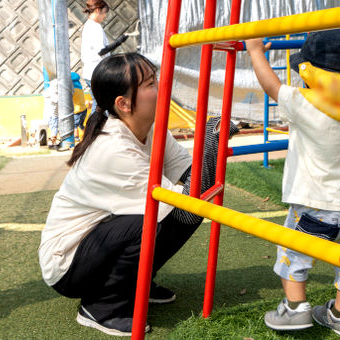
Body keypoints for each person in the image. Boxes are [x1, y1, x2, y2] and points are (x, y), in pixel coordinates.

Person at [38, 53, 238, 337]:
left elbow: (190, 181)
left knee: (180, 215)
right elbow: (187, 203)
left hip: (98, 240)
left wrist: (210, 142)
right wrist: (211, 139)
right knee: (154, 221)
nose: (161, 85)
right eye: (150, 83)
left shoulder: (151, 128)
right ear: (124, 103)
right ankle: (102, 307)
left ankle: (135, 285)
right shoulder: (114, 149)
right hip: (68, 263)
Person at [246, 29, 340, 337]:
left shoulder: (303, 102)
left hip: (314, 203)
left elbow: (272, 86)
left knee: (293, 252)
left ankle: (295, 309)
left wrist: (256, 51)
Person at [81, 0, 132, 116]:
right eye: (104, 13)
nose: (104, 16)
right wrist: (119, 42)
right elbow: (101, 51)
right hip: (96, 72)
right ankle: (93, 131)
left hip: (90, 72)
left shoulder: (88, 25)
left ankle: (94, 130)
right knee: (100, 105)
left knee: (99, 104)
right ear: (98, 10)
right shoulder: (95, 27)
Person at [71, 72, 87, 143]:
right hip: (83, 109)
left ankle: (76, 137)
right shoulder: (80, 88)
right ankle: (86, 135)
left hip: (77, 111)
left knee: (75, 125)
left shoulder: (73, 89)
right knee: (80, 125)